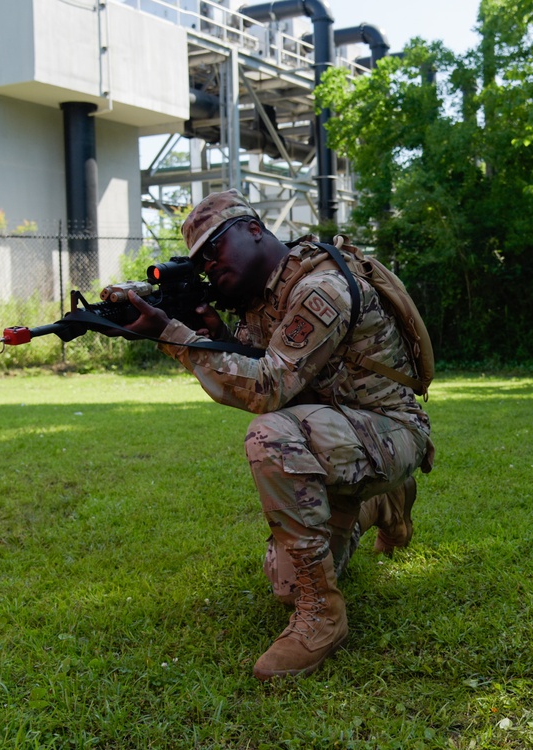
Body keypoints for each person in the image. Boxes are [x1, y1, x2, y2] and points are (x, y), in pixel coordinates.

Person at [115, 189, 434, 679]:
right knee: (280, 582)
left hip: (390, 431)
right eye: (200, 261)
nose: (209, 266)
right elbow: (255, 360)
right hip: (338, 433)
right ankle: (379, 504)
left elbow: (267, 388)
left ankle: (322, 615)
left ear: (255, 230)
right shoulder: (263, 300)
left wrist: (174, 339)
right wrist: (212, 330)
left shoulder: (319, 289)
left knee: (269, 434)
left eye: (215, 249)